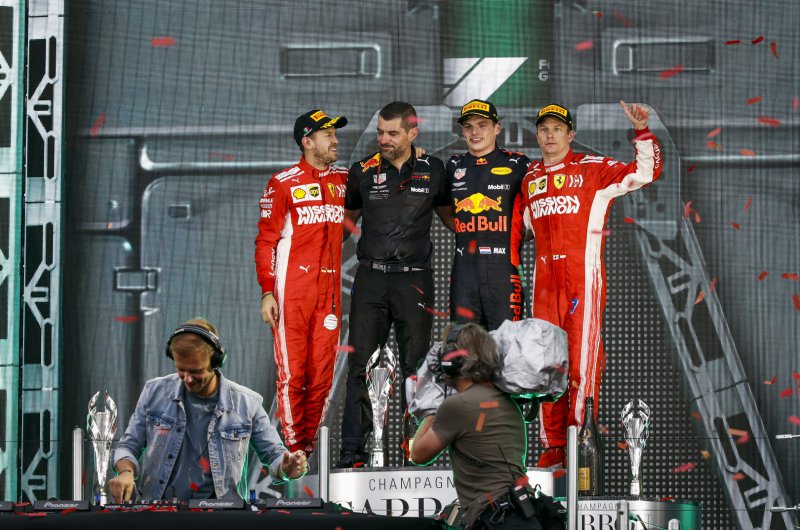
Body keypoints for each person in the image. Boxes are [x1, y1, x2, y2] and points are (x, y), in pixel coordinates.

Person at [520, 101, 663, 468]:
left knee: (582, 365)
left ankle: (579, 444)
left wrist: (642, 132)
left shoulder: (593, 169)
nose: (550, 135)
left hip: (581, 282)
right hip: (544, 287)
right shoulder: (529, 179)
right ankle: (553, 447)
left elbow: (644, 173)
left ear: (571, 134)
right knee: (546, 366)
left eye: (557, 129)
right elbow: (520, 228)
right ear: (537, 135)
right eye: (544, 129)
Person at [335, 101, 454, 468]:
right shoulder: (362, 171)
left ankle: (414, 450)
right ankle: (353, 453)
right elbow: (342, 226)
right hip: (371, 279)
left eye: (392, 133)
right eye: (380, 133)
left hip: (414, 280)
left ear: (412, 133)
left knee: (416, 369)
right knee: (361, 366)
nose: (383, 140)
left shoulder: (435, 170)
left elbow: (454, 220)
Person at [109, 318, 307, 502]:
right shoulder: (154, 392)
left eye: (196, 371)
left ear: (216, 362)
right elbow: (129, 446)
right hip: (159, 511)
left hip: (222, 516)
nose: (187, 379)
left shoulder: (248, 403)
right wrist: (126, 472)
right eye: (181, 370)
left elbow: (274, 454)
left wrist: (287, 469)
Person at [254, 109, 348, 454]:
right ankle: (294, 448)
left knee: (322, 377)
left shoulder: (345, 180)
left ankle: (307, 449)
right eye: (327, 135)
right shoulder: (283, 183)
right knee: (294, 375)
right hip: (291, 292)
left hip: (329, 295)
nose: (335, 141)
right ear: (307, 142)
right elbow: (266, 241)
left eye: (335, 134)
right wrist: (267, 292)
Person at [410, 324, 539, 530]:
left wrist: (429, 407)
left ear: (454, 360)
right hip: (522, 515)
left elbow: (418, 454)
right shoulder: (508, 402)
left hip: (495, 520)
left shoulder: (458, 405)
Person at [447, 99, 530, 330]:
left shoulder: (518, 163)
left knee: (507, 343)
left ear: (497, 128)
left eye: (482, 125)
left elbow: (536, 209)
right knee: (463, 344)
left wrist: (522, 233)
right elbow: (443, 208)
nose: (475, 132)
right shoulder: (453, 166)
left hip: (503, 271)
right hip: (465, 272)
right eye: (468, 127)